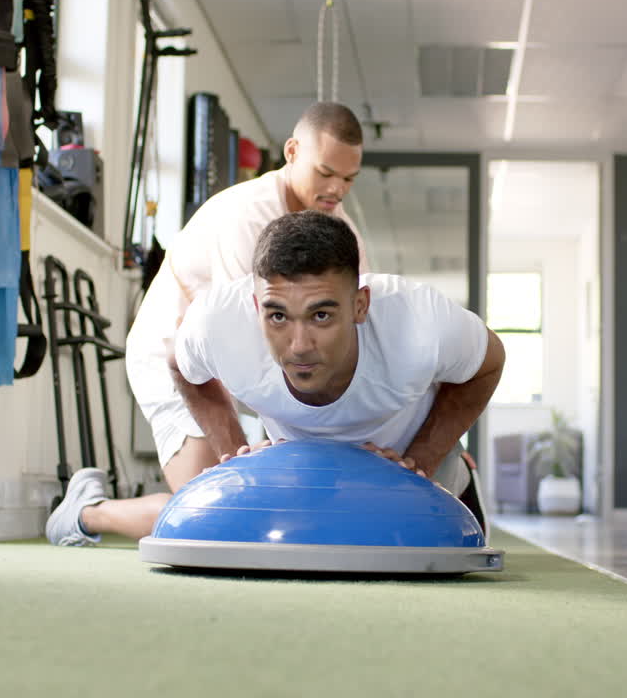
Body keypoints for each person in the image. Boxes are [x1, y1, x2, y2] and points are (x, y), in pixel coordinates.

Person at [47, 211, 504, 546]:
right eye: (278, 315)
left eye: (321, 314)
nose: (299, 344)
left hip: (408, 459)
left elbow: (490, 362)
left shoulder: (419, 321)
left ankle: (451, 472)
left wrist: (420, 459)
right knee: (205, 528)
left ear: (361, 305)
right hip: (300, 464)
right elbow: (179, 364)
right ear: (254, 305)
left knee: (458, 545)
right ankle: (88, 513)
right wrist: (232, 453)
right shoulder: (219, 322)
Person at [45, 103, 367, 546]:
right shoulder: (246, 215)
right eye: (326, 172)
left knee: (244, 512)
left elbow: (352, 330)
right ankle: (86, 513)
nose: (336, 189)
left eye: (349, 179)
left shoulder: (339, 231)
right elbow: (256, 334)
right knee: (205, 513)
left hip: (228, 362)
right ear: (292, 152)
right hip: (173, 356)